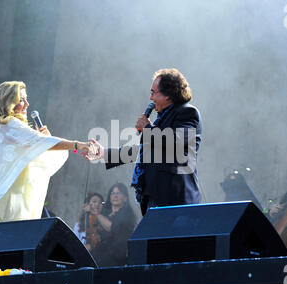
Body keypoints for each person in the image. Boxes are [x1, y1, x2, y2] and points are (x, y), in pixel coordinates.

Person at [0, 81, 95, 224]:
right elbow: (38, 141)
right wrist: (77, 145)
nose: (27, 104)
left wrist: (46, 140)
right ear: (8, 102)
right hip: (9, 203)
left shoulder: (7, 128)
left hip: (15, 202)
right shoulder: (9, 124)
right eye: (21, 100)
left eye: (26, 99)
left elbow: (42, 152)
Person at [84, 68, 202, 216]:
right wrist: (105, 154)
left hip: (174, 197)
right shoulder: (161, 119)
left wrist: (147, 127)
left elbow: (176, 141)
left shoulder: (188, 113)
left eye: (153, 92)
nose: (151, 98)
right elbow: (145, 151)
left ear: (168, 94)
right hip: (154, 196)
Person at [89, 183, 138, 266]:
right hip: (98, 257)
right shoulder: (105, 214)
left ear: (125, 198)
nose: (115, 196)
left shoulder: (127, 215)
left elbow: (111, 227)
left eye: (118, 193)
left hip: (114, 259)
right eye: (113, 193)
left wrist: (97, 214)